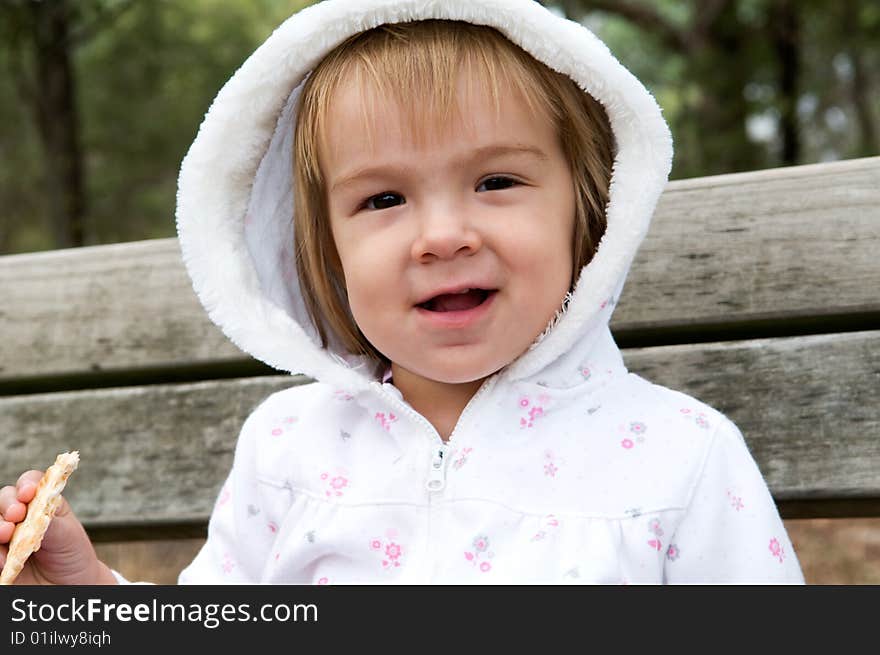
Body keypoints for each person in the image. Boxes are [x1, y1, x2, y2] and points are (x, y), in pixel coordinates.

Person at [0, 0, 804, 584]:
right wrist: (86, 593)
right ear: (325, 249)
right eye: (383, 199)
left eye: (496, 180)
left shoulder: (680, 457)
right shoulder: (288, 449)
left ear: (587, 215)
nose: (443, 234)